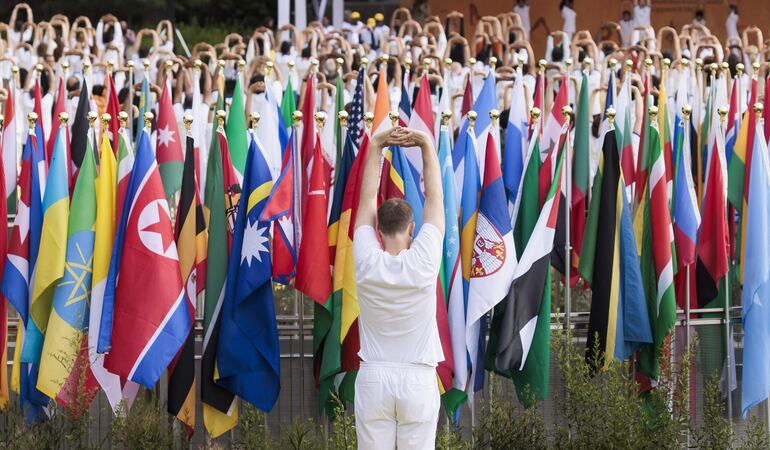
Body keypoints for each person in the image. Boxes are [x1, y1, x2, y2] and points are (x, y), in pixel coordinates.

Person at [352, 126, 445, 450]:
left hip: (374, 378)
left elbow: (365, 199)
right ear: (411, 228)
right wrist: (425, 145)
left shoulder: (365, 260)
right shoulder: (424, 261)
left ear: (377, 228)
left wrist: (376, 144)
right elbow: (435, 197)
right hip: (417, 378)